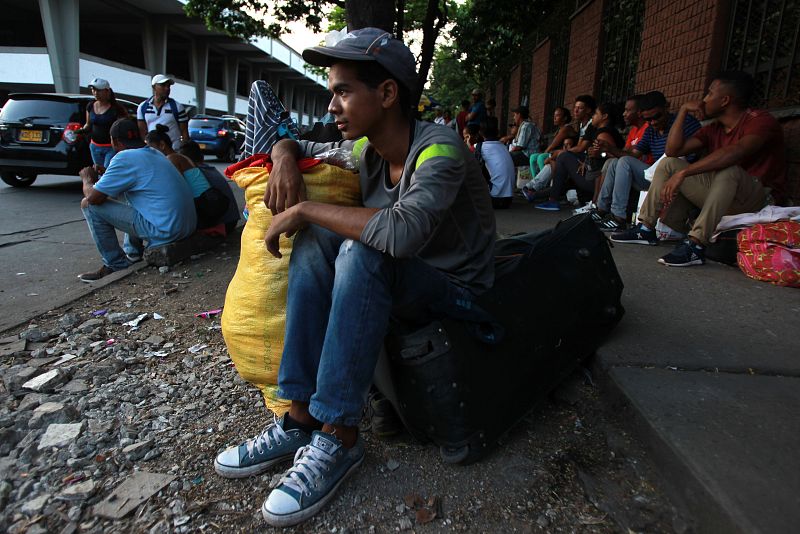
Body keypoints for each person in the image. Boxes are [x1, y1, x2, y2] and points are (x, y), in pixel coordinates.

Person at [212, 27, 495, 527]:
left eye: (343, 92)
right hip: (407, 282)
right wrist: (283, 158)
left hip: (460, 297)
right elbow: (293, 139)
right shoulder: (366, 151)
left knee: (361, 252)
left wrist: (303, 207)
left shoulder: (441, 151)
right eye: (331, 93)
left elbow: (402, 234)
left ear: (387, 94)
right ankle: (300, 417)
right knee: (321, 239)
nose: (332, 107)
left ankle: (339, 435)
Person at [611, 71, 787, 267]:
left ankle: (696, 245)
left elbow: (736, 152)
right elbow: (672, 151)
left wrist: (685, 172)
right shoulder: (714, 128)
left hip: (759, 198)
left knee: (729, 170)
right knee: (669, 163)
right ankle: (645, 228)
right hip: (723, 196)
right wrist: (684, 110)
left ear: (725, 100)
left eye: (710, 93)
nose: (704, 99)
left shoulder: (760, 121)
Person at [78, 118, 196, 282]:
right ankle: (133, 254)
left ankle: (115, 264)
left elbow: (93, 198)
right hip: (187, 226)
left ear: (115, 141)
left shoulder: (124, 158)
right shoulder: (154, 152)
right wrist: (107, 174)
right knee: (130, 193)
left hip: (166, 230)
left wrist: (87, 179)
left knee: (88, 205)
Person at [593, 92, 701, 231]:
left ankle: (618, 218)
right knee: (615, 162)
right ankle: (601, 209)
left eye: (657, 117)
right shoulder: (650, 130)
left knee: (625, 162)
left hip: (679, 176)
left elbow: (693, 153)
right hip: (656, 176)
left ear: (666, 107)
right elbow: (633, 154)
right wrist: (610, 148)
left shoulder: (684, 122)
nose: (653, 122)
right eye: (648, 119)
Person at [535, 102, 624, 211]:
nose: (593, 116)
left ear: (604, 117)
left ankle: (553, 200)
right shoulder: (599, 131)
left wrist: (594, 157)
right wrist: (586, 161)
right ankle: (542, 195)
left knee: (564, 157)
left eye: (595, 114)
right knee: (566, 167)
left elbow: (612, 157)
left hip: (600, 182)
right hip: (593, 176)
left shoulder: (604, 134)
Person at [145, 125, 230, 230]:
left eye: (152, 149)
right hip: (208, 201)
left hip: (204, 204)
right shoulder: (180, 156)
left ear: (162, 145)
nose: (150, 154)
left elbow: (177, 189)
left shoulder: (172, 159)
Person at [179, 140, 241, 235]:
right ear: (202, 157)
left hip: (223, 223)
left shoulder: (196, 175)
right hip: (232, 219)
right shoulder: (210, 169)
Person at [80, 78, 128, 171]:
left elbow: (124, 127)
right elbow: (88, 124)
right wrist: (80, 131)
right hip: (95, 146)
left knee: (106, 171)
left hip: (110, 147)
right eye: (93, 90)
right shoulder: (90, 105)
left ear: (107, 91)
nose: (95, 93)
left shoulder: (116, 108)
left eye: (98, 90)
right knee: (98, 170)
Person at [137, 74, 189, 151]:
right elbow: (142, 131)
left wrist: (184, 151)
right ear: (154, 87)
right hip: (152, 151)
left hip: (173, 150)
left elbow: (184, 132)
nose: (167, 88)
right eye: (163, 85)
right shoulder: (142, 107)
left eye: (168, 86)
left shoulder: (177, 107)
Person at [476, 123, 515, 208]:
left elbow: (473, 166)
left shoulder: (481, 146)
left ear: (480, 133)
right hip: (508, 200)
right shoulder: (503, 146)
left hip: (495, 199)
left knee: (476, 166)